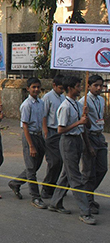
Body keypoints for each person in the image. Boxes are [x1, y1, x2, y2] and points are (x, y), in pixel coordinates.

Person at [49, 76, 96, 225]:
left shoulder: (77, 104)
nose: (80, 88)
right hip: (68, 142)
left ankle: (55, 202)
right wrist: (78, 122)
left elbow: (85, 126)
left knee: (66, 174)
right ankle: (85, 211)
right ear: (70, 88)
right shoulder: (65, 106)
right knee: (76, 178)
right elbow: (60, 129)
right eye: (77, 86)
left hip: (77, 141)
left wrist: (85, 119)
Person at [8, 78, 48, 209]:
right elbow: (24, 125)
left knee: (35, 166)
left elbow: (43, 118)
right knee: (31, 168)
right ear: (28, 89)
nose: (36, 89)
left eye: (38, 87)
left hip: (38, 136)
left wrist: (44, 134)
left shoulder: (41, 103)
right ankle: (35, 197)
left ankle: (16, 182)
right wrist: (30, 145)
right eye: (33, 87)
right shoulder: (26, 105)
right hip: (29, 136)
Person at [78, 74, 108, 215]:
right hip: (89, 136)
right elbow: (83, 124)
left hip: (99, 136)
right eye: (95, 85)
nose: (98, 88)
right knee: (88, 172)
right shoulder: (83, 101)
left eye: (100, 85)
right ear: (88, 86)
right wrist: (88, 144)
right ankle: (88, 200)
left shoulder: (101, 100)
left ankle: (86, 193)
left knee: (102, 168)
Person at [40, 74, 65, 199]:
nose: (62, 90)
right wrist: (45, 131)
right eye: (60, 88)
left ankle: (53, 185)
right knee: (54, 161)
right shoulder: (48, 97)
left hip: (61, 132)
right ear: (54, 85)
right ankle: (46, 187)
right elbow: (44, 115)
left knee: (60, 161)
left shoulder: (63, 97)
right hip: (51, 131)